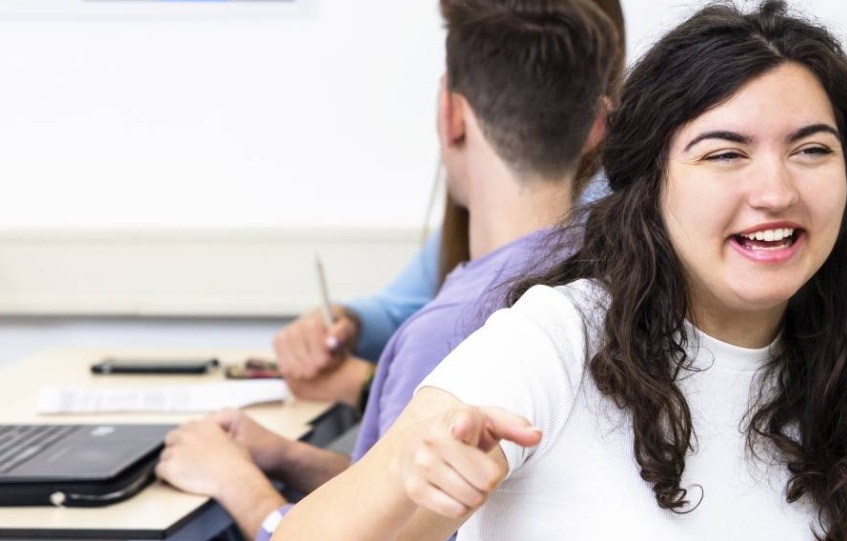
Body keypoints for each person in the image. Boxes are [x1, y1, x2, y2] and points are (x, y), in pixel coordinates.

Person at [277, 2, 847, 539]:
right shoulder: (553, 340)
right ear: (652, 183)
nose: (775, 191)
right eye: (724, 154)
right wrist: (405, 472)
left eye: (811, 149)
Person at [151, 0, 621, 537]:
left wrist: (237, 482)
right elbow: (433, 500)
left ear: (450, 116)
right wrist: (286, 456)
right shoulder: (607, 274)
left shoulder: (450, 331)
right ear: (598, 126)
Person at [269, 0, 630, 406]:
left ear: (451, 113)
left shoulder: (443, 332)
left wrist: (367, 383)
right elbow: (399, 306)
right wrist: (346, 321)